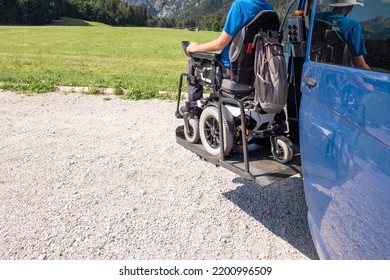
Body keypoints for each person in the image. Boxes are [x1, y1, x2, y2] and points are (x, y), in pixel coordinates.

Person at [185, 0, 274, 102]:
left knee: (193, 61)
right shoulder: (269, 9)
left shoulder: (240, 6)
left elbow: (220, 43)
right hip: (257, 69)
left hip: (231, 69)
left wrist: (195, 48)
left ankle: (193, 107)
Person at [316, 0, 370, 69]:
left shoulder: (315, 17)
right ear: (350, 7)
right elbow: (359, 64)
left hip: (315, 65)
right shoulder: (352, 25)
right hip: (337, 72)